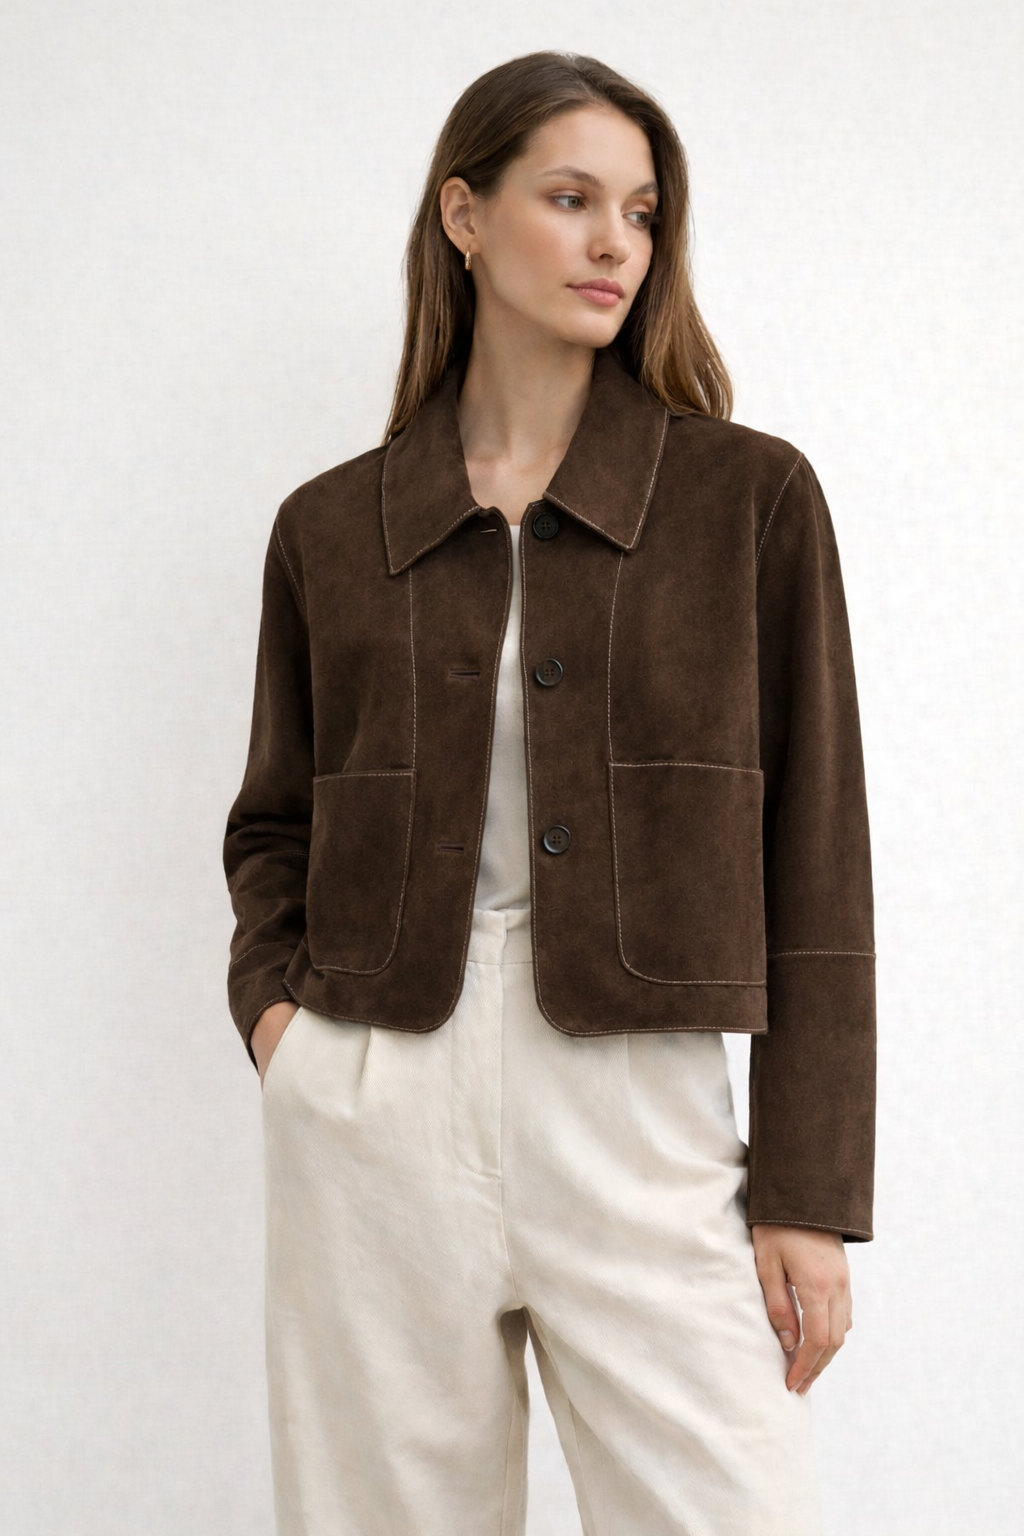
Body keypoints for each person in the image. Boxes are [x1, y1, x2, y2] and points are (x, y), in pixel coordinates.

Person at [223, 50, 876, 1536]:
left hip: (639, 1105)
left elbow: (818, 853)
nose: (613, 245)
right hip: (374, 1096)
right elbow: (274, 822)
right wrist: (284, 1032)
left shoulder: (747, 500)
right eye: (571, 199)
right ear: (464, 216)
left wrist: (808, 1189)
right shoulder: (331, 528)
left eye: (640, 213)